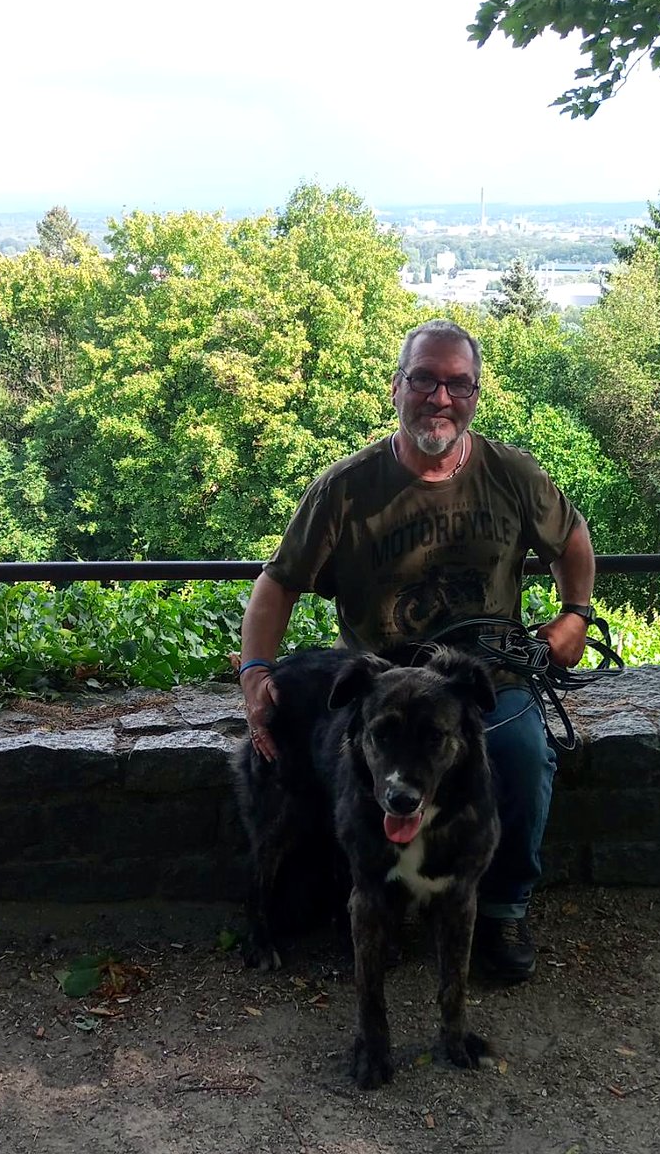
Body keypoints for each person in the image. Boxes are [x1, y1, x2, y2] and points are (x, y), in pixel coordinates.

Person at [239, 318, 595, 981]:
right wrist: (256, 673)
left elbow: (572, 538)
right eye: (424, 380)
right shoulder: (345, 488)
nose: (440, 398)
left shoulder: (512, 473)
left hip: (482, 680)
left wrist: (574, 615)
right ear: (396, 387)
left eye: (458, 385)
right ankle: (379, 899)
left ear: (475, 395)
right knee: (359, 769)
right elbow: (277, 583)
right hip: (384, 683)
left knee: (521, 757)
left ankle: (503, 907)